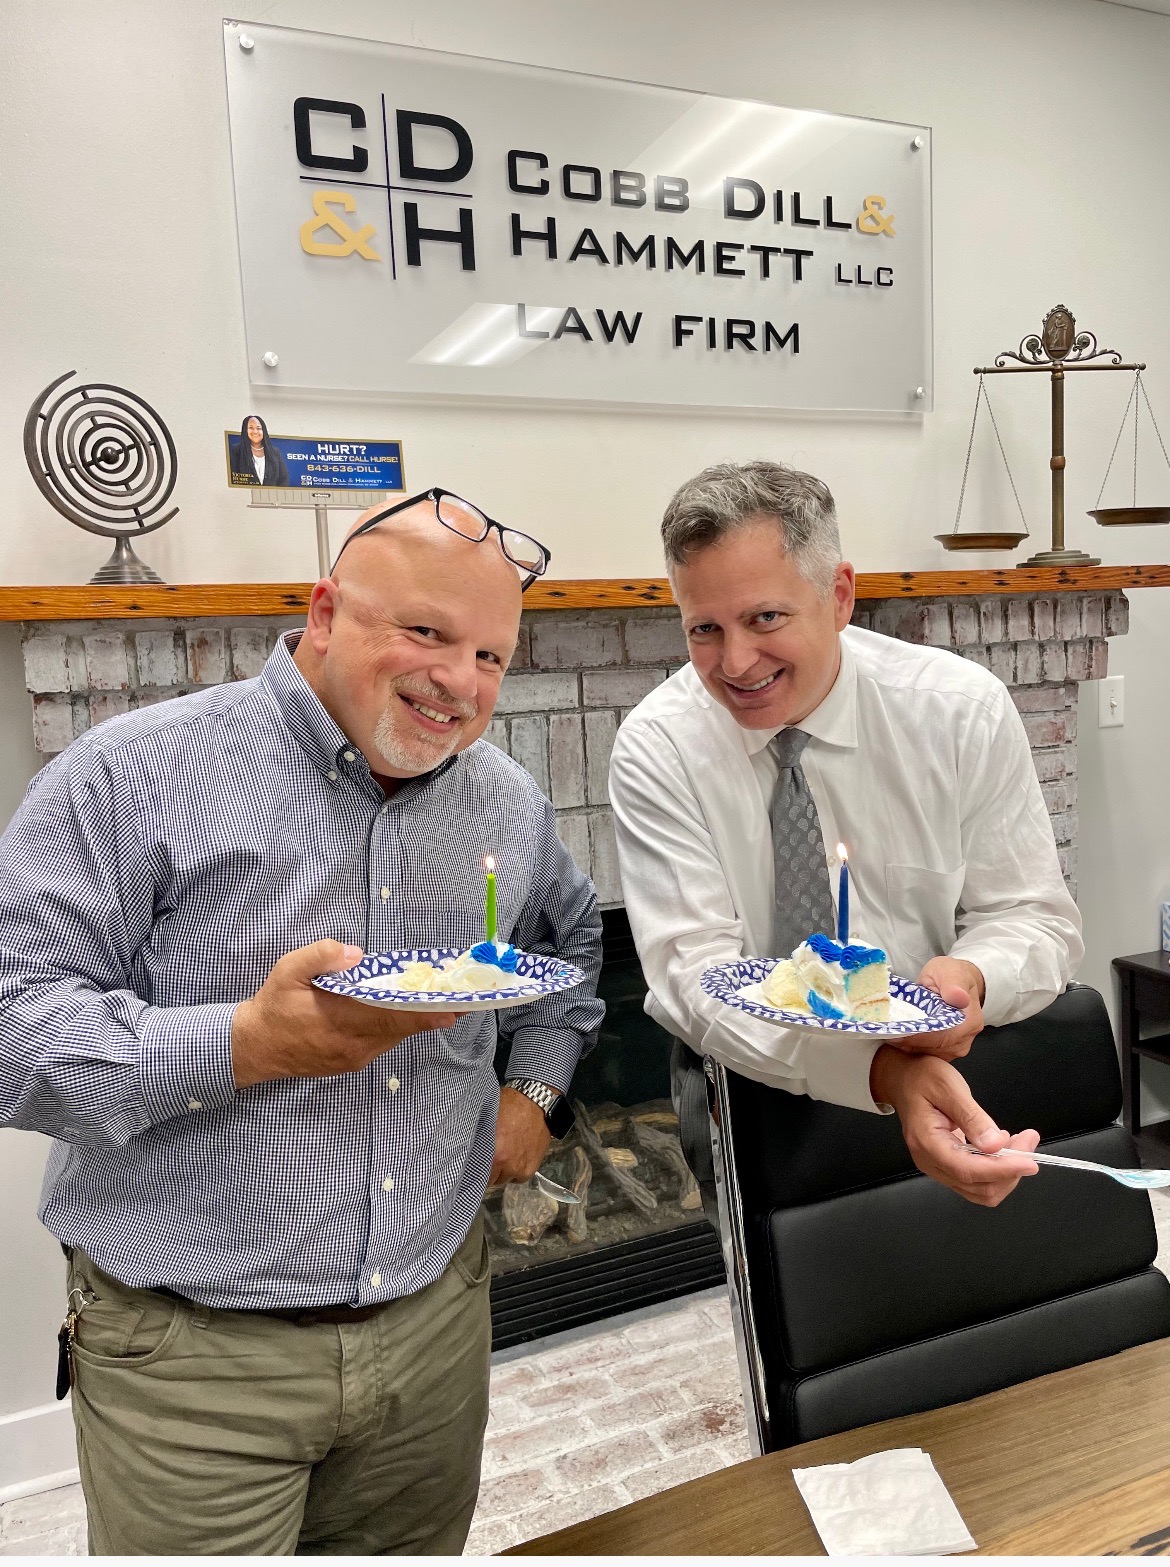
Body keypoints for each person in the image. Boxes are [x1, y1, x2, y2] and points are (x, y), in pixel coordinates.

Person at [0, 489, 603, 1555]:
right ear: (325, 613)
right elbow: (14, 1024)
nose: (460, 682)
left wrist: (537, 1093)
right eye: (426, 632)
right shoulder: (128, 775)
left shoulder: (505, 801)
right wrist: (241, 1044)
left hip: (436, 1331)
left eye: (491, 657)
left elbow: (572, 946)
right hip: (192, 1364)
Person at [609, 460, 1084, 1212]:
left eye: (766, 618)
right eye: (705, 629)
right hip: (745, 1079)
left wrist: (975, 975)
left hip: (954, 1070)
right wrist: (879, 1070)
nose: (735, 662)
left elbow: (1034, 915)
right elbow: (694, 974)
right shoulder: (658, 747)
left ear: (838, 596)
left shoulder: (959, 712)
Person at [230, 412, 290, 486]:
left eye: (258, 428)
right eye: (251, 428)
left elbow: (284, 478)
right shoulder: (235, 451)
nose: (255, 432)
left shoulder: (275, 452)